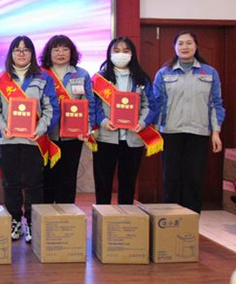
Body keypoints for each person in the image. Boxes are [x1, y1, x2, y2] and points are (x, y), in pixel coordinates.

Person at [0, 36, 59, 243]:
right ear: (11, 53)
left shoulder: (43, 78)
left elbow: (51, 108)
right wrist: (2, 126)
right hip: (8, 139)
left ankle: (31, 221)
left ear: (32, 53)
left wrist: (39, 129)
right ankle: (14, 220)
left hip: (33, 140)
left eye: (26, 50)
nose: (21, 53)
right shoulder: (0, 79)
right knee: (10, 183)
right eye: (17, 50)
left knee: (33, 184)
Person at [153, 30, 224, 213]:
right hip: (170, 132)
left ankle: (191, 219)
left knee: (194, 178)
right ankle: (169, 219)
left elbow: (216, 104)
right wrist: (154, 133)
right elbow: (156, 104)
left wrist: (216, 132)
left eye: (189, 43)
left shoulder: (210, 73)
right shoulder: (164, 73)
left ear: (196, 46)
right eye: (181, 43)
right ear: (174, 47)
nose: (185, 47)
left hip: (198, 133)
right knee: (171, 179)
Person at [92, 37, 161, 205]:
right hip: (106, 137)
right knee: (103, 183)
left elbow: (150, 105)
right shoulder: (99, 78)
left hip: (132, 138)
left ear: (132, 54)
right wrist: (104, 121)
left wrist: (142, 123)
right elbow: (94, 105)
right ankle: (102, 217)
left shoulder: (141, 78)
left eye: (125, 51)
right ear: (110, 54)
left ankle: (125, 218)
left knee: (128, 183)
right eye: (116, 51)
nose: (121, 54)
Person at [39, 35, 95, 204]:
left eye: (65, 49)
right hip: (46, 134)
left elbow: (89, 103)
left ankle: (66, 215)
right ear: (49, 53)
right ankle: (45, 215)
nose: (60, 53)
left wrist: (87, 127)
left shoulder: (82, 74)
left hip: (73, 135)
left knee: (68, 178)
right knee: (46, 177)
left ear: (72, 52)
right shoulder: (40, 73)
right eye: (56, 49)